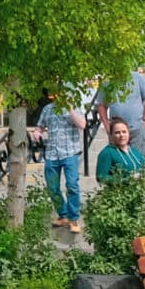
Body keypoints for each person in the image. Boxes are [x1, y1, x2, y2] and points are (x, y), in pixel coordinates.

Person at [31, 92, 88, 234]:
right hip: (51, 153)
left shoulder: (74, 107)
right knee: (52, 187)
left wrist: (69, 108)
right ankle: (63, 215)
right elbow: (40, 127)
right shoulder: (48, 109)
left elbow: (82, 124)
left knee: (72, 185)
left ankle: (74, 218)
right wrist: (37, 133)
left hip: (70, 153)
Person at [93, 117, 145, 183]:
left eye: (124, 132)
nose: (121, 135)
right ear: (111, 135)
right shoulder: (107, 153)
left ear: (128, 133)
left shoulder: (135, 152)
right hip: (116, 192)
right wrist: (126, 180)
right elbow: (101, 177)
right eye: (117, 133)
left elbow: (144, 172)